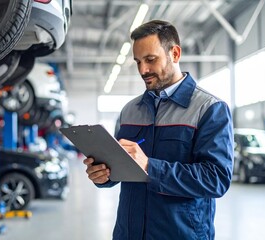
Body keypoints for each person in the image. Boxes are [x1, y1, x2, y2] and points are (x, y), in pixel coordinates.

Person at [83, 19, 234, 240]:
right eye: (137, 62)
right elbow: (120, 168)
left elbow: (216, 179)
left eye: (150, 60)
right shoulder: (129, 111)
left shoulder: (209, 109)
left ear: (174, 54)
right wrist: (103, 176)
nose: (143, 70)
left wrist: (149, 166)